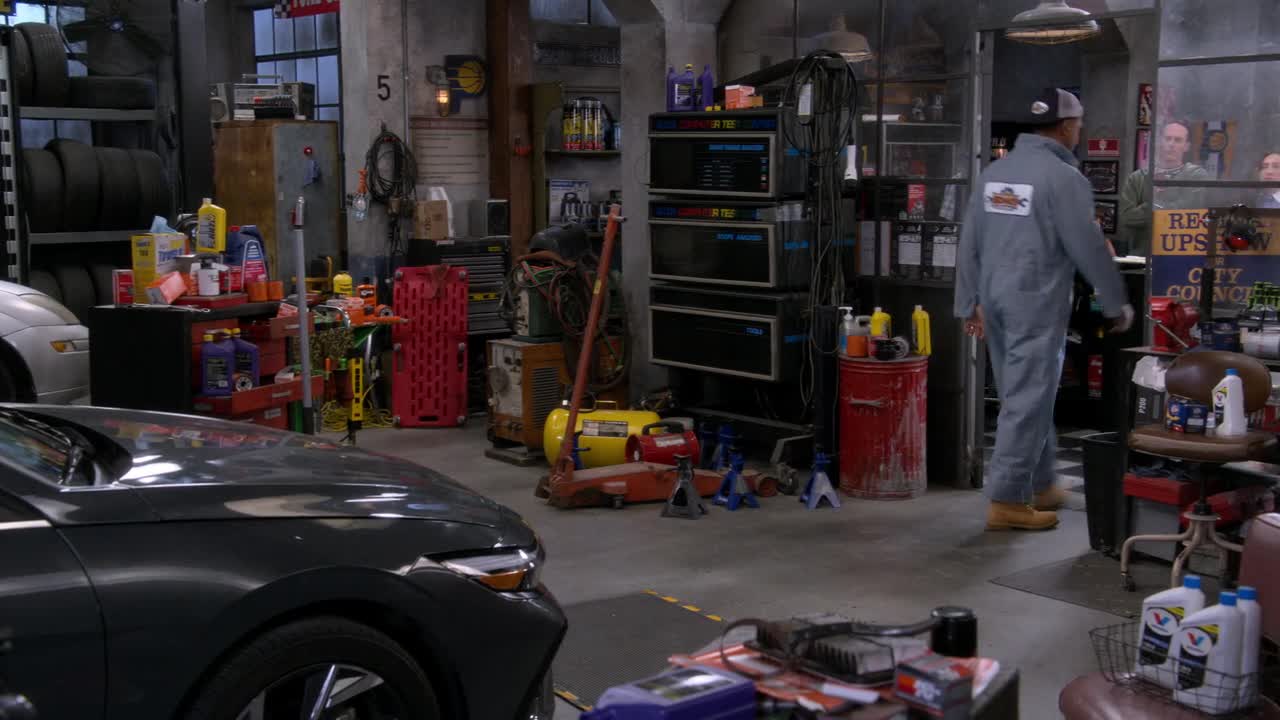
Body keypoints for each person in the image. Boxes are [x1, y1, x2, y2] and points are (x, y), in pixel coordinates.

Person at [955, 88, 1134, 532]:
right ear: (1067, 127)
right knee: (1028, 398)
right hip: (1034, 303)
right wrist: (1115, 302)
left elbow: (969, 239)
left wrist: (967, 301)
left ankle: (1041, 482)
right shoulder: (1063, 178)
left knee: (1026, 395)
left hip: (994, 299)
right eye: (1079, 125)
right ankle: (1007, 499)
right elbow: (1089, 247)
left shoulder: (996, 172)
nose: (1080, 132)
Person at [1118, 121, 1210, 255]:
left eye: (1178, 140)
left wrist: (1154, 205)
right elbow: (1126, 218)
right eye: (1167, 138)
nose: (1171, 144)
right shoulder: (1138, 178)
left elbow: (1190, 213)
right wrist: (1160, 205)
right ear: (1160, 142)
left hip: (1182, 255)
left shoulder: (1196, 176)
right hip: (1143, 256)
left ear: (1186, 146)